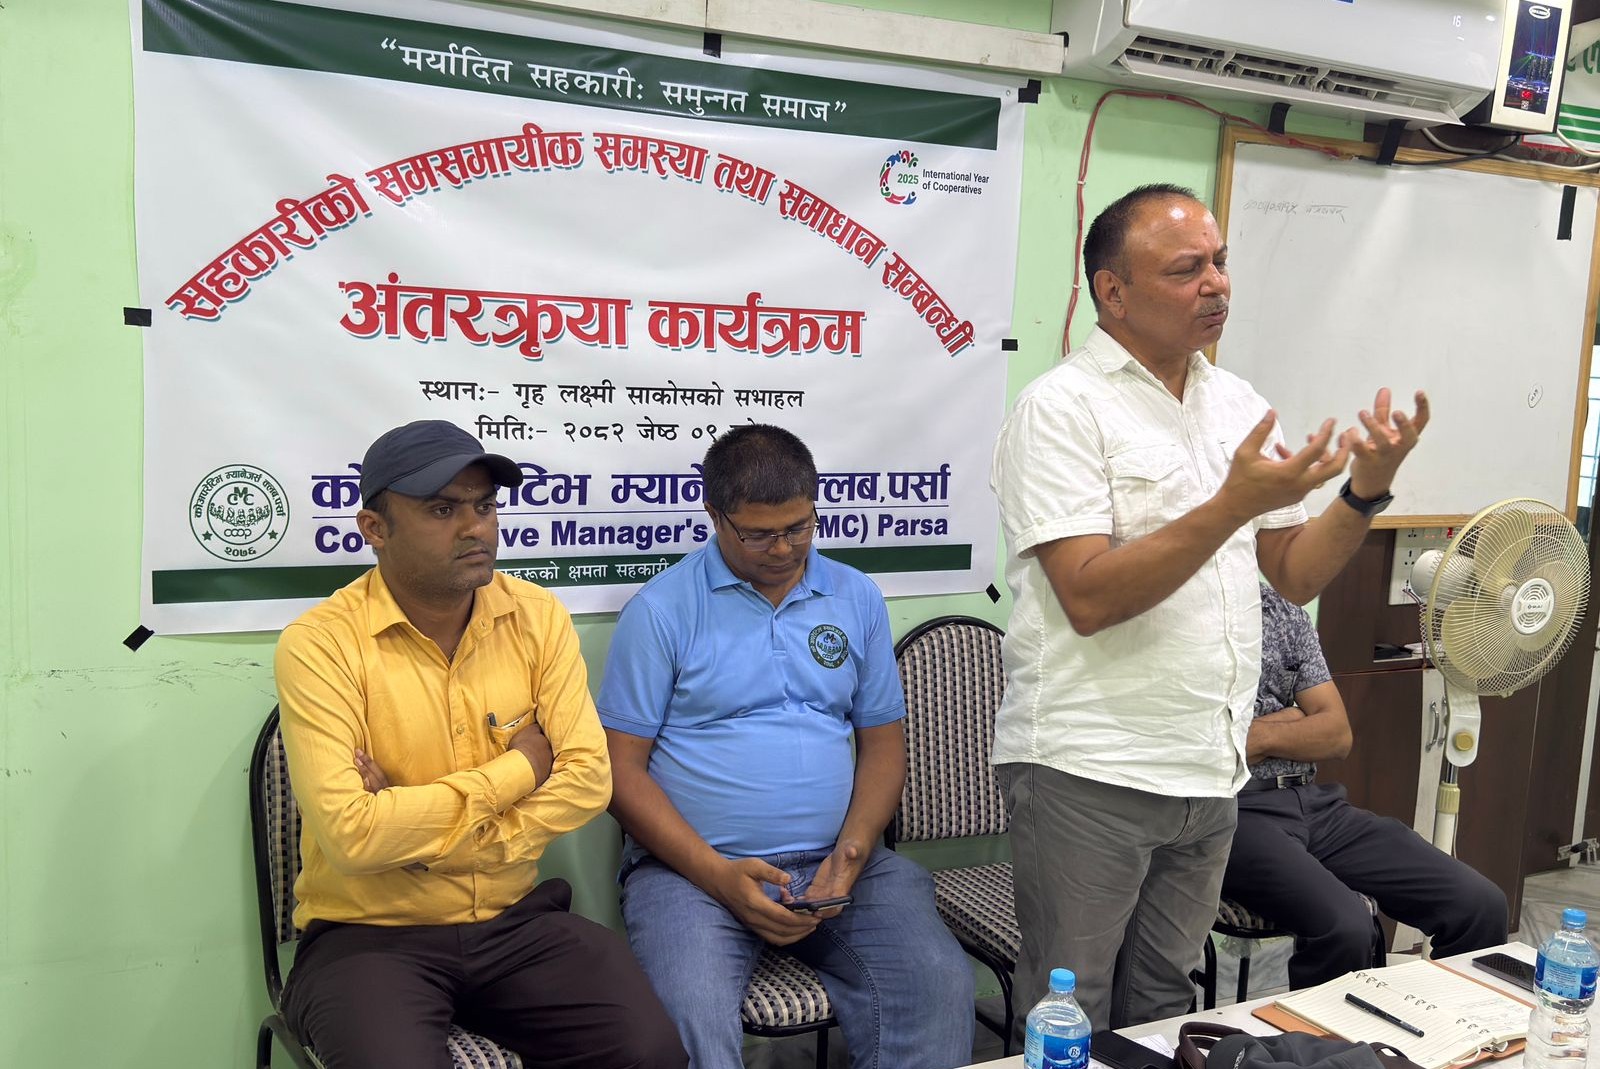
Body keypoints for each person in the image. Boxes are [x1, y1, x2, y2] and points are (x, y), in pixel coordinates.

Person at [990, 182, 1431, 1031]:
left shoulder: (1236, 402)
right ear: (1113, 291)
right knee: (1070, 1007)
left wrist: (1363, 492)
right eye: (1186, 268)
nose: (1216, 283)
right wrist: (1230, 505)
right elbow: (1088, 595)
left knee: (1164, 1000)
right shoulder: (1060, 409)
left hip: (1210, 767)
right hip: (1092, 765)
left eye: (1221, 261)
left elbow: (1294, 573)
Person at [273, 419, 685, 1069]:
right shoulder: (320, 644)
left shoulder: (536, 616)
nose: (476, 528)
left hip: (514, 919)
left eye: (485, 506)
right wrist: (521, 766)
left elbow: (587, 780)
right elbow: (353, 837)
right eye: (443, 510)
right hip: (370, 936)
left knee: (650, 1051)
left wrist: (422, 839)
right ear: (374, 528)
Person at [597, 424, 975, 1069]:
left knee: (937, 985)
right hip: (692, 873)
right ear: (714, 514)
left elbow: (883, 744)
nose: (782, 549)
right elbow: (618, 770)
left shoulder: (854, 596)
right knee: (687, 1021)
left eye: (799, 527)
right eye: (758, 534)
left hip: (841, 865)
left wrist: (853, 852)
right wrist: (718, 876)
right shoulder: (661, 610)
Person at [1224, 583, 1507, 989]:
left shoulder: (1281, 613)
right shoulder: (1176, 616)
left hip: (1315, 803)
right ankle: (1320, 1033)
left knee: (1479, 904)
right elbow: (1209, 743)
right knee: (1347, 928)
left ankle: (1453, 1022)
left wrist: (1261, 735)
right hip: (1235, 810)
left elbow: (1337, 735)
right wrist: (1294, 719)